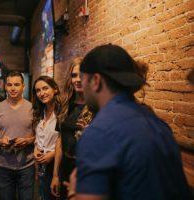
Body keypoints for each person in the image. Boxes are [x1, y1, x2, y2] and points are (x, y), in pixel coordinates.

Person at [71, 44, 190, 200]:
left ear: (96, 81)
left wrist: (74, 191)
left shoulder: (99, 133)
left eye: (83, 79)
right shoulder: (158, 124)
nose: (82, 87)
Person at [51, 58, 95, 199]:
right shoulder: (65, 104)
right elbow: (60, 140)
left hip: (87, 169)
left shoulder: (96, 105)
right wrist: (55, 175)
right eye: (74, 75)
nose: (77, 79)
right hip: (66, 166)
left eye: (82, 75)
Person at [0, 71, 35, 200]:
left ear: (23, 86)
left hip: (27, 165)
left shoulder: (32, 108)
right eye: (10, 85)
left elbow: (39, 135)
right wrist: (0, 141)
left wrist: (28, 141)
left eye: (17, 84)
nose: (13, 88)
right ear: (5, 87)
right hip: (3, 165)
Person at [32, 76, 63, 200]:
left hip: (57, 164)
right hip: (41, 165)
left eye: (45, 88)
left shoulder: (62, 112)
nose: (41, 93)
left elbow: (64, 140)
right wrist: (35, 148)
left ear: (55, 89)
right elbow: (38, 137)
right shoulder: (39, 112)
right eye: (38, 90)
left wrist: (53, 154)